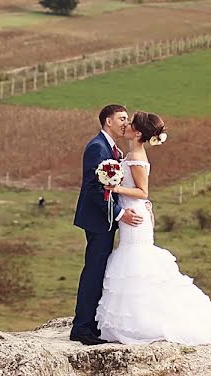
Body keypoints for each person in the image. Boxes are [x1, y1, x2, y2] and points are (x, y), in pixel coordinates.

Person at [95, 111, 211, 345]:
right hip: (132, 214)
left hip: (135, 218)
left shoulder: (137, 156)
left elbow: (143, 192)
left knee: (136, 262)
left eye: (130, 123)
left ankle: (145, 323)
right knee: (132, 262)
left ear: (138, 133)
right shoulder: (131, 153)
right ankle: (135, 320)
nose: (126, 125)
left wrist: (114, 188)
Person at [70, 104, 144, 346]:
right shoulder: (97, 148)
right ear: (108, 121)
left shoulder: (112, 149)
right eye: (122, 118)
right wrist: (121, 213)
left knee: (99, 269)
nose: (126, 122)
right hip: (98, 219)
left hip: (105, 219)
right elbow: (95, 189)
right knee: (93, 270)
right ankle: (82, 328)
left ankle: (90, 324)